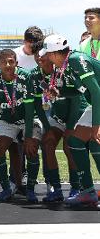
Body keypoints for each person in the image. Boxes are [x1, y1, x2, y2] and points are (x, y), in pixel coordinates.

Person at [39, 34, 100, 207]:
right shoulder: (65, 65)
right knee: (74, 141)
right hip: (96, 102)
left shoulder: (75, 60)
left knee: (96, 143)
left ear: (56, 53)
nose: (46, 58)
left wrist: (96, 126)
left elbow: (96, 92)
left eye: (48, 54)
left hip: (98, 100)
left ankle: (88, 191)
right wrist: (60, 93)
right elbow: (81, 91)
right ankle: (88, 191)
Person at [0, 49, 41, 203]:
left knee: (32, 149)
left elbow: (29, 110)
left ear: (16, 62)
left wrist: (28, 136)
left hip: (29, 118)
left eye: (11, 61)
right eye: (4, 62)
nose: (8, 65)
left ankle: (30, 189)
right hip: (8, 120)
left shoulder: (25, 77)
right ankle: (7, 189)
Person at [30, 48, 84, 202]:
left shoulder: (64, 69)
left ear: (51, 56)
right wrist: (47, 126)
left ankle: (76, 188)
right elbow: (37, 105)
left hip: (76, 114)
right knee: (48, 142)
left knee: (69, 146)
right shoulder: (35, 75)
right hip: (57, 117)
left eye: (43, 56)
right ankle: (56, 189)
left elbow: (76, 99)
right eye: (38, 57)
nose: (39, 59)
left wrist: (70, 127)